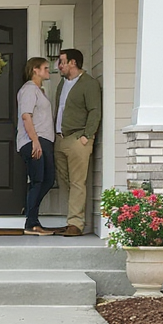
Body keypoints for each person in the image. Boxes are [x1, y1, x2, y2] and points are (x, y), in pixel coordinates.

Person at [52, 48, 102, 236]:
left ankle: (75, 224)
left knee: (78, 182)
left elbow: (95, 111)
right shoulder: (62, 85)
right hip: (60, 139)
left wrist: (86, 136)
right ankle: (72, 218)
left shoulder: (89, 84)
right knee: (66, 182)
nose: (59, 65)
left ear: (73, 63)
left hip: (78, 139)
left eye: (62, 61)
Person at [16, 56, 55, 236]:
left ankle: (32, 218)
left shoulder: (39, 90)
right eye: (45, 68)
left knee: (47, 180)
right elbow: (26, 116)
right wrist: (35, 141)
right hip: (34, 141)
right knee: (38, 181)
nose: (48, 71)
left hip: (43, 140)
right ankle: (31, 224)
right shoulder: (29, 90)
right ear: (35, 70)